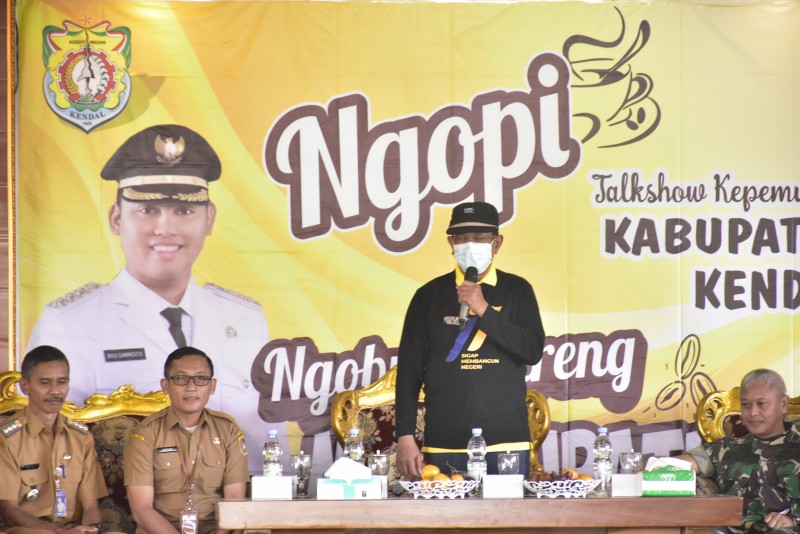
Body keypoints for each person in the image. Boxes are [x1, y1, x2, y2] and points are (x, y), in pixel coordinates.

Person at [25, 124, 270, 473]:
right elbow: (47, 440)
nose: (165, 228)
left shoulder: (245, 319)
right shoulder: (69, 323)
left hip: (231, 499)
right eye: (148, 210)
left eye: (184, 210)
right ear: (116, 218)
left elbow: (265, 443)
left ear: (209, 218)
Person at [394, 201, 545, 478]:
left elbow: (532, 351)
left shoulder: (517, 290)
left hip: (507, 440)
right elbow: (409, 371)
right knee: (444, 507)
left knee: (510, 508)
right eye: (461, 238)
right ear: (451, 243)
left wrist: (483, 309)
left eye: (479, 238)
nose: (469, 245)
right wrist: (404, 435)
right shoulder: (428, 296)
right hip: (445, 440)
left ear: (497, 243)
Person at [123, 347, 249, 534]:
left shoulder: (228, 430)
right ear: (166, 386)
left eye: (201, 379)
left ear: (212, 386)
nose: (191, 387)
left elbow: (234, 500)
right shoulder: (145, 434)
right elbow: (141, 510)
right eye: (181, 379)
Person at [0, 346, 109, 533]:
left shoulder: (81, 437)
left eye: (62, 382)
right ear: (25, 386)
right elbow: (9, 511)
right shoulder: (7, 439)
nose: (56, 391)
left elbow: (91, 506)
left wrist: (92, 530)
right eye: (45, 383)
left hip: (71, 529)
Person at [676, 369, 800, 534]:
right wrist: (652, 468)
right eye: (746, 404)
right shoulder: (727, 448)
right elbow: (673, 465)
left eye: (762, 404)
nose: (753, 412)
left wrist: (793, 521)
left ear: (783, 404)